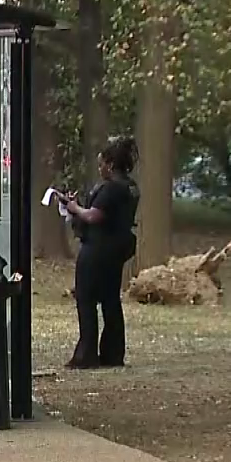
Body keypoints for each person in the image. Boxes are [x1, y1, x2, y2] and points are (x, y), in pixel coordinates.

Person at [60, 136, 140, 369]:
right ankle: (113, 353)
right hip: (116, 250)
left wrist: (74, 208)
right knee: (110, 300)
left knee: (86, 300)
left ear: (111, 164)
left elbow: (95, 216)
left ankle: (86, 355)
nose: (100, 169)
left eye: (101, 164)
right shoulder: (131, 187)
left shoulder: (112, 188)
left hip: (97, 249)